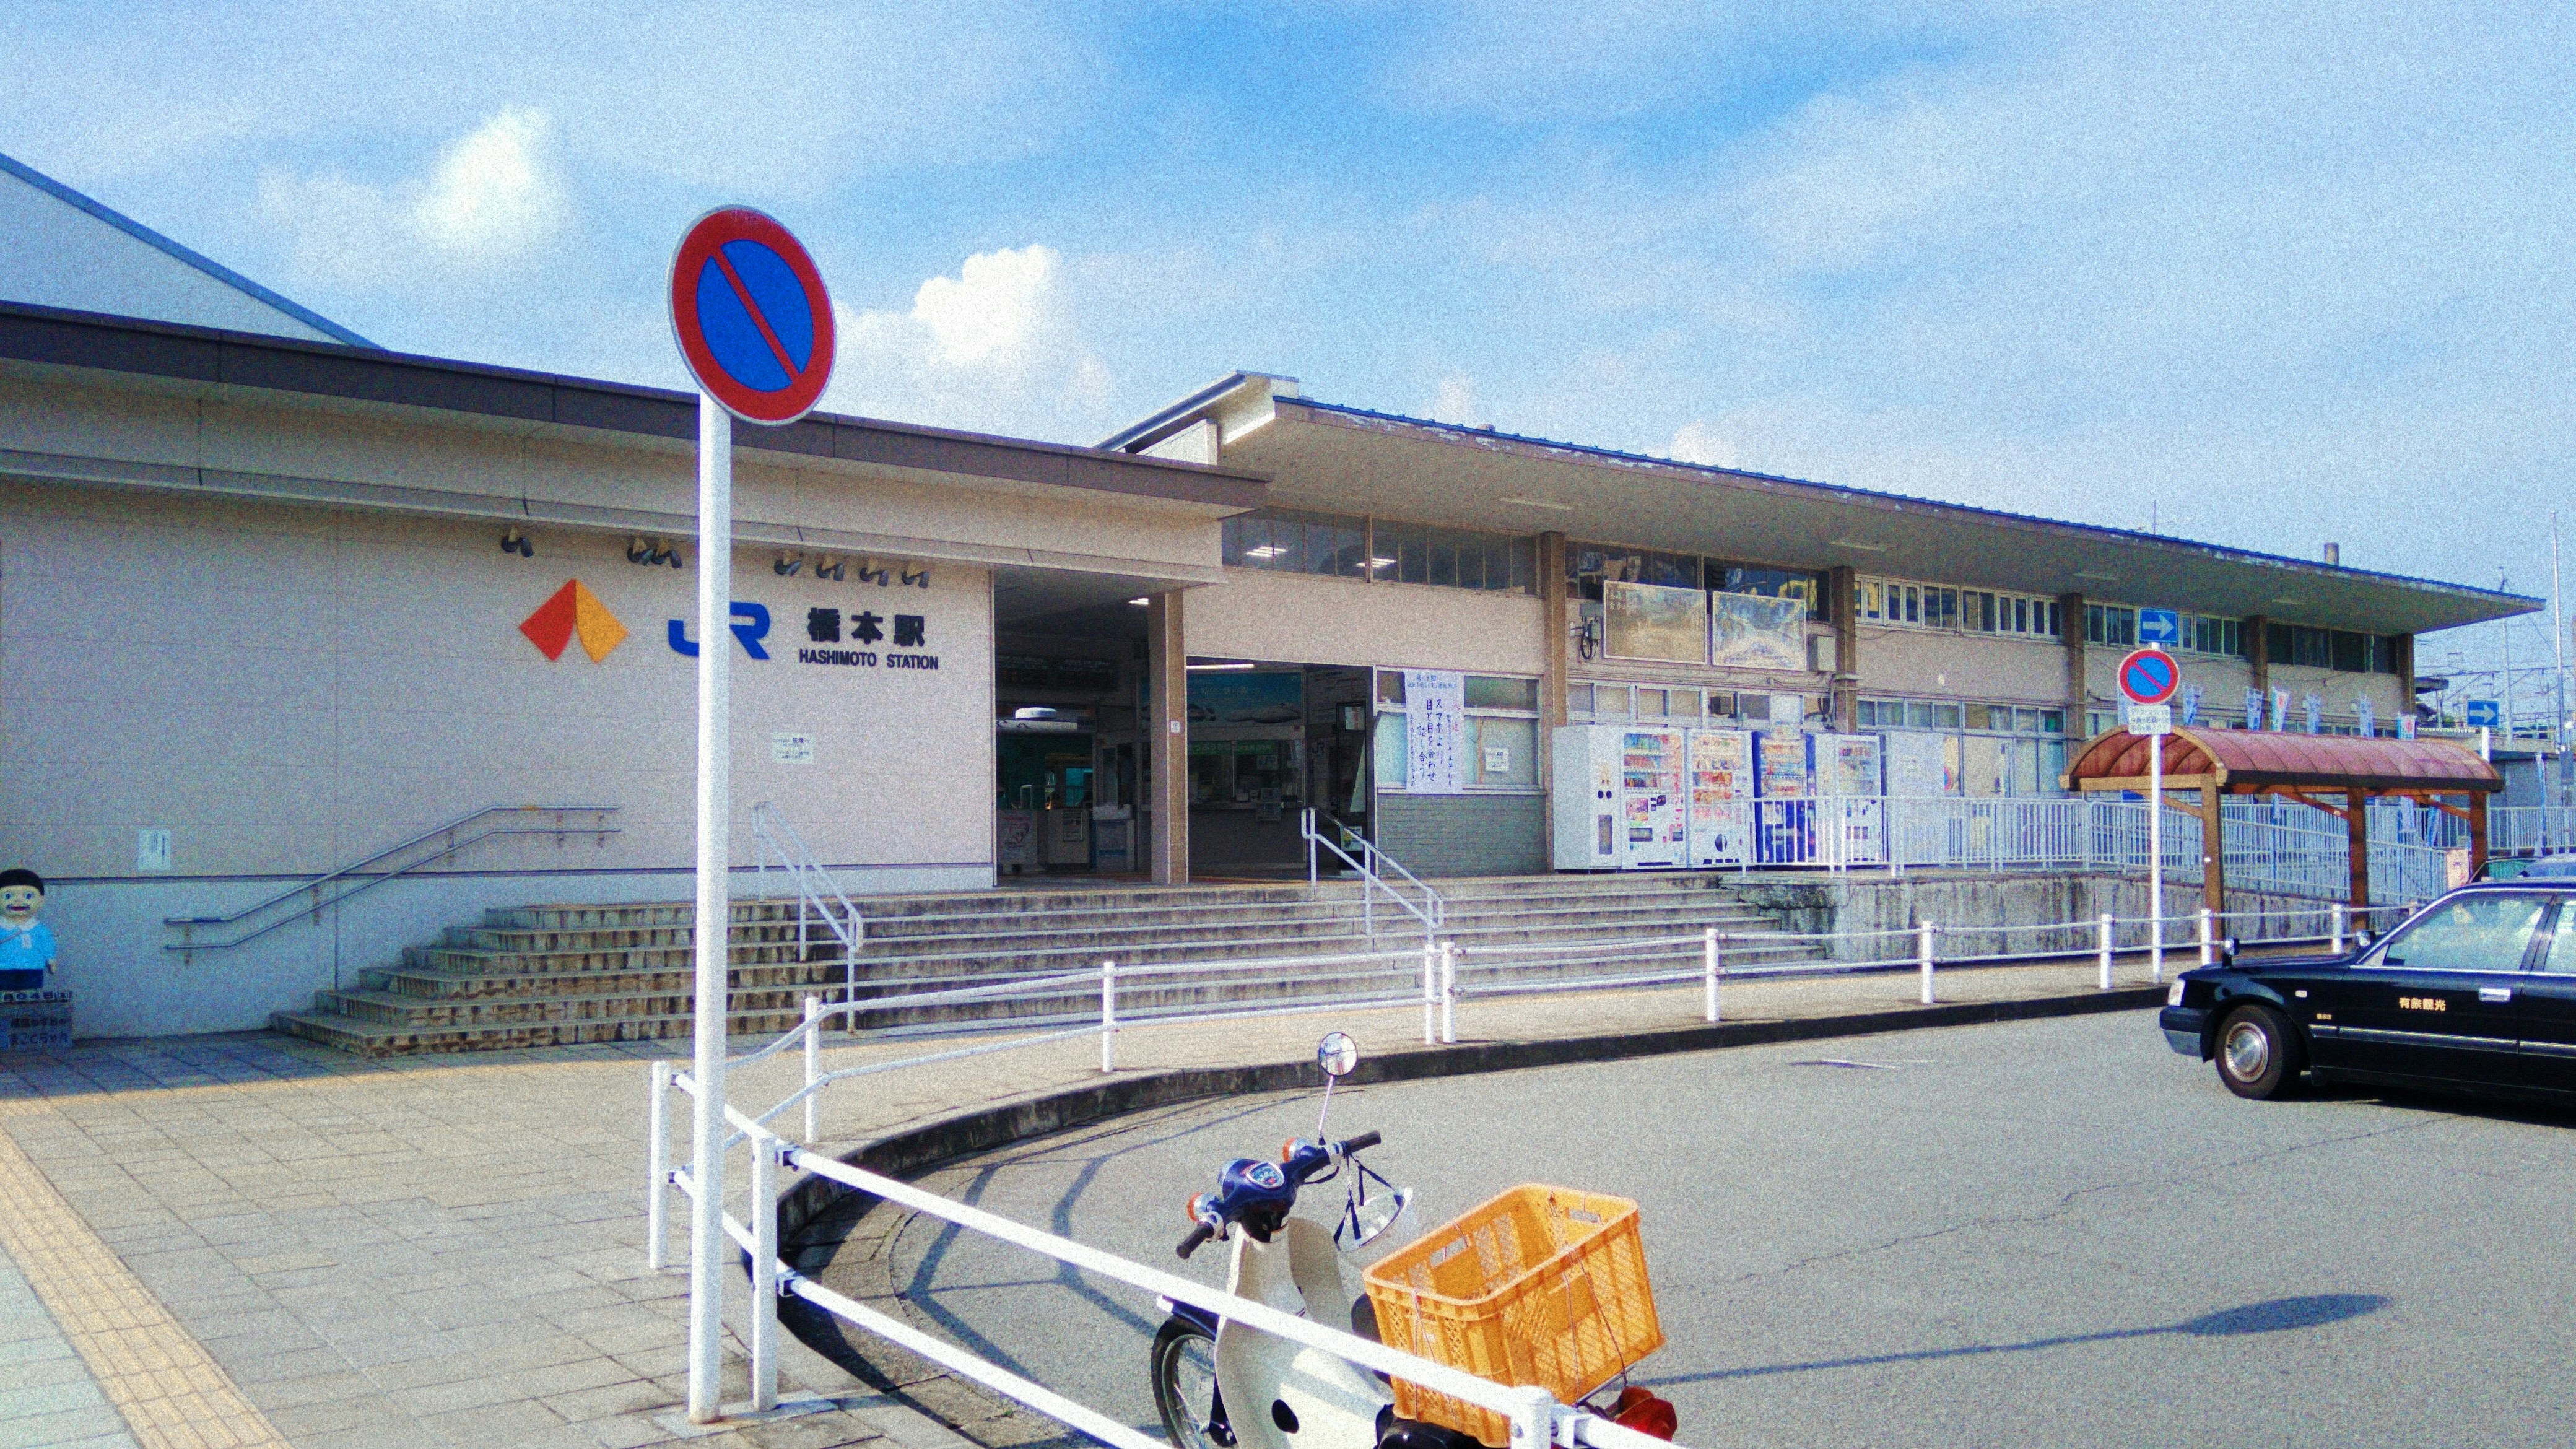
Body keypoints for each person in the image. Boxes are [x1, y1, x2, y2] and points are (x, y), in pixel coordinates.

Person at [0, 868, 56, 992]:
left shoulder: (40, 929)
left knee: (31, 992)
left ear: (41, 901)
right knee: (4, 993)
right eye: (8, 896)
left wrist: (51, 958)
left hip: (33, 967)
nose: (18, 901)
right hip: (3, 968)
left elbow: (47, 942)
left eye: (28, 896)